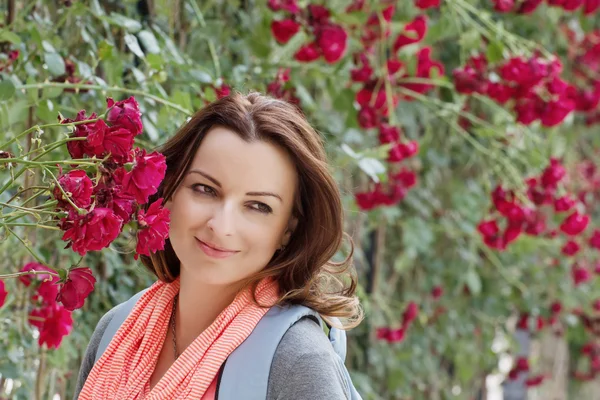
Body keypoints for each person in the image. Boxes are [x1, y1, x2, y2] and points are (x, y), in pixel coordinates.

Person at [73, 92, 363, 399]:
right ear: (169, 192)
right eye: (205, 189)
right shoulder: (116, 332)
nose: (221, 226)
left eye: (258, 206)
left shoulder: (297, 362)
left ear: (287, 231)